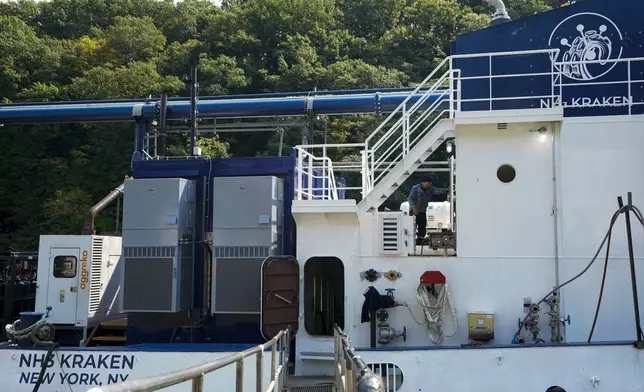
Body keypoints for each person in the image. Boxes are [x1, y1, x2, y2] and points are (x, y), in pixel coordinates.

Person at [407, 175, 449, 245]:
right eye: (426, 183)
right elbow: (410, 198)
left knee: (422, 226)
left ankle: (420, 241)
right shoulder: (415, 188)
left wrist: (446, 190)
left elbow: (437, 191)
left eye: (429, 183)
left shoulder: (430, 189)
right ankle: (410, 242)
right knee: (412, 226)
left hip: (423, 211)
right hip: (415, 211)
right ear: (422, 182)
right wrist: (413, 207)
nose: (427, 184)